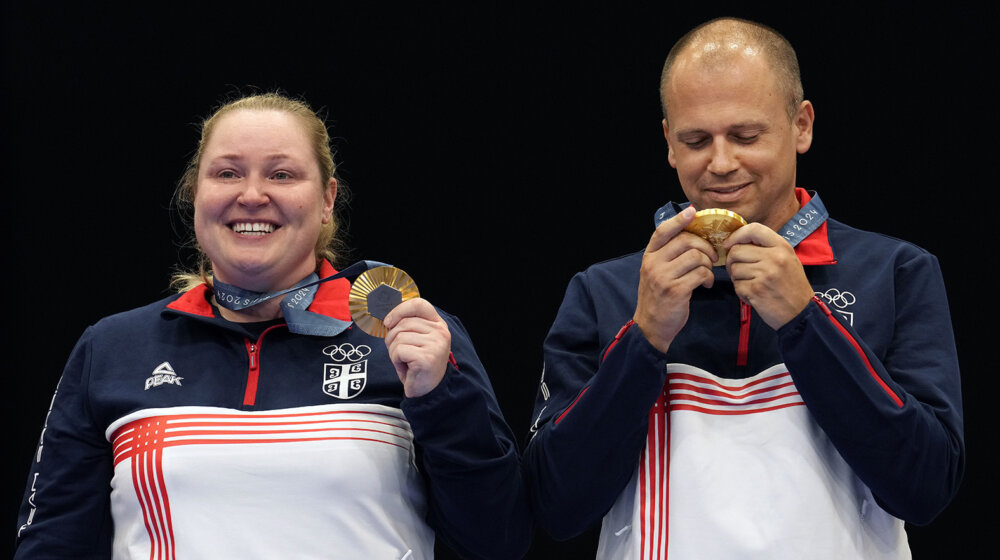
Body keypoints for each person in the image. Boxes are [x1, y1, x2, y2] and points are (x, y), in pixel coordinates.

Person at [15, 92, 531, 559]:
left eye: (282, 174)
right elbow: (53, 543)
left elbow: (499, 542)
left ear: (328, 199)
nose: (253, 195)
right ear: (195, 194)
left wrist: (441, 400)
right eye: (227, 173)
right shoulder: (113, 347)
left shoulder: (409, 334)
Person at [523, 17, 963, 559]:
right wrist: (644, 339)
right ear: (668, 142)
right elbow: (557, 509)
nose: (721, 163)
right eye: (695, 140)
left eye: (746, 136)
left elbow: (926, 490)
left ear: (801, 125)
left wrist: (805, 321)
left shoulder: (897, 273)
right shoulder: (605, 291)